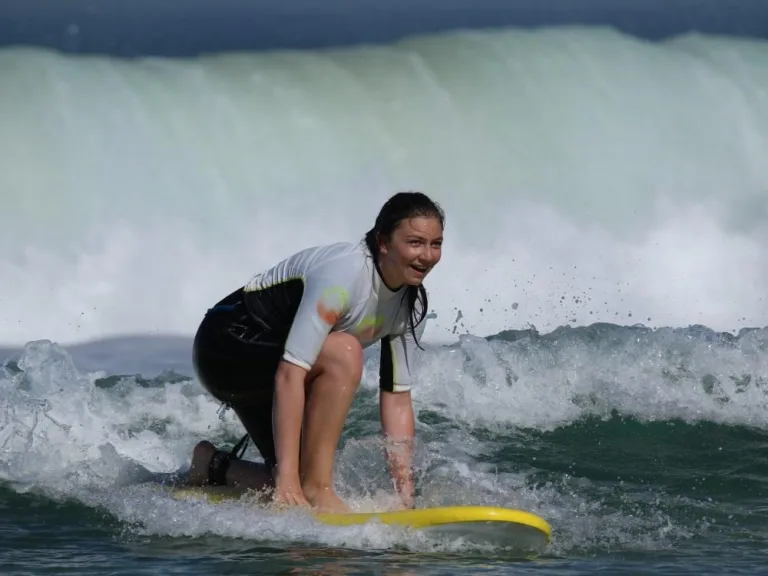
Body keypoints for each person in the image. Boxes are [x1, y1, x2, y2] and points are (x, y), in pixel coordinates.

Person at [185, 191, 445, 513]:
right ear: (383, 242)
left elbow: (397, 398)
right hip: (226, 348)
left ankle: (210, 465)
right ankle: (317, 488)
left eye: (436, 244)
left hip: (275, 363)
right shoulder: (344, 274)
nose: (428, 255)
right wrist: (290, 479)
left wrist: (405, 496)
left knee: (286, 484)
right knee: (344, 352)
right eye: (415, 242)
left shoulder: (410, 302)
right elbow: (290, 374)